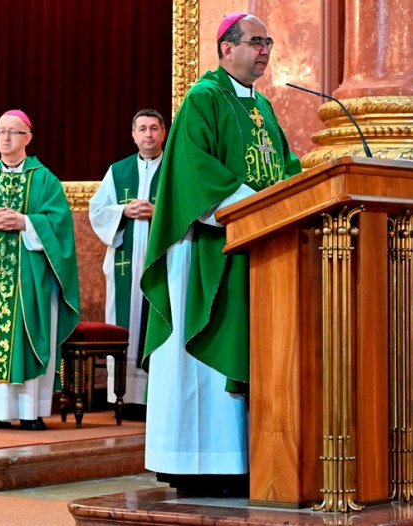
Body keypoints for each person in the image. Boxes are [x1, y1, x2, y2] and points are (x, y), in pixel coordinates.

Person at [140, 13, 302, 494]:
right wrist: (257, 205)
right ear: (227, 49)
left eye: (268, 42)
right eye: (256, 41)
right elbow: (196, 171)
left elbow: (285, 169)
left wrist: (297, 194)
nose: (265, 50)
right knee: (202, 366)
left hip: (257, 247)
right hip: (209, 250)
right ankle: (197, 464)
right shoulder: (203, 98)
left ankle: (243, 460)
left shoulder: (263, 107)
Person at [0, 109, 80, 431]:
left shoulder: (45, 180)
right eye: (1, 131)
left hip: (30, 278)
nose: (6, 137)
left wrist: (27, 222)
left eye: (13, 132)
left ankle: (30, 412)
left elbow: (60, 224)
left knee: (27, 336)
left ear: (28, 138)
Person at [89, 109, 166, 416]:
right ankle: (123, 396)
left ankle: (156, 397)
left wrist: (158, 211)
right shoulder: (118, 171)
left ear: (163, 133)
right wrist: (123, 211)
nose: (148, 134)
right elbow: (97, 211)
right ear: (133, 135)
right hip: (125, 264)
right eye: (142, 129)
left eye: (154, 128)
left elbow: (187, 210)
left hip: (161, 265)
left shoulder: (174, 168)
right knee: (124, 322)